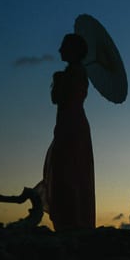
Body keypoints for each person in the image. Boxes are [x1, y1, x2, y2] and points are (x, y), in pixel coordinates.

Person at [42, 33, 96, 231]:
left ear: (73, 50)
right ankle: (69, 220)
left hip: (73, 125)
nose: (59, 50)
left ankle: (72, 221)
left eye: (64, 46)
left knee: (69, 171)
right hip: (68, 122)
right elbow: (58, 99)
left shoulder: (76, 72)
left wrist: (59, 80)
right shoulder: (72, 72)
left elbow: (61, 98)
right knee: (66, 169)